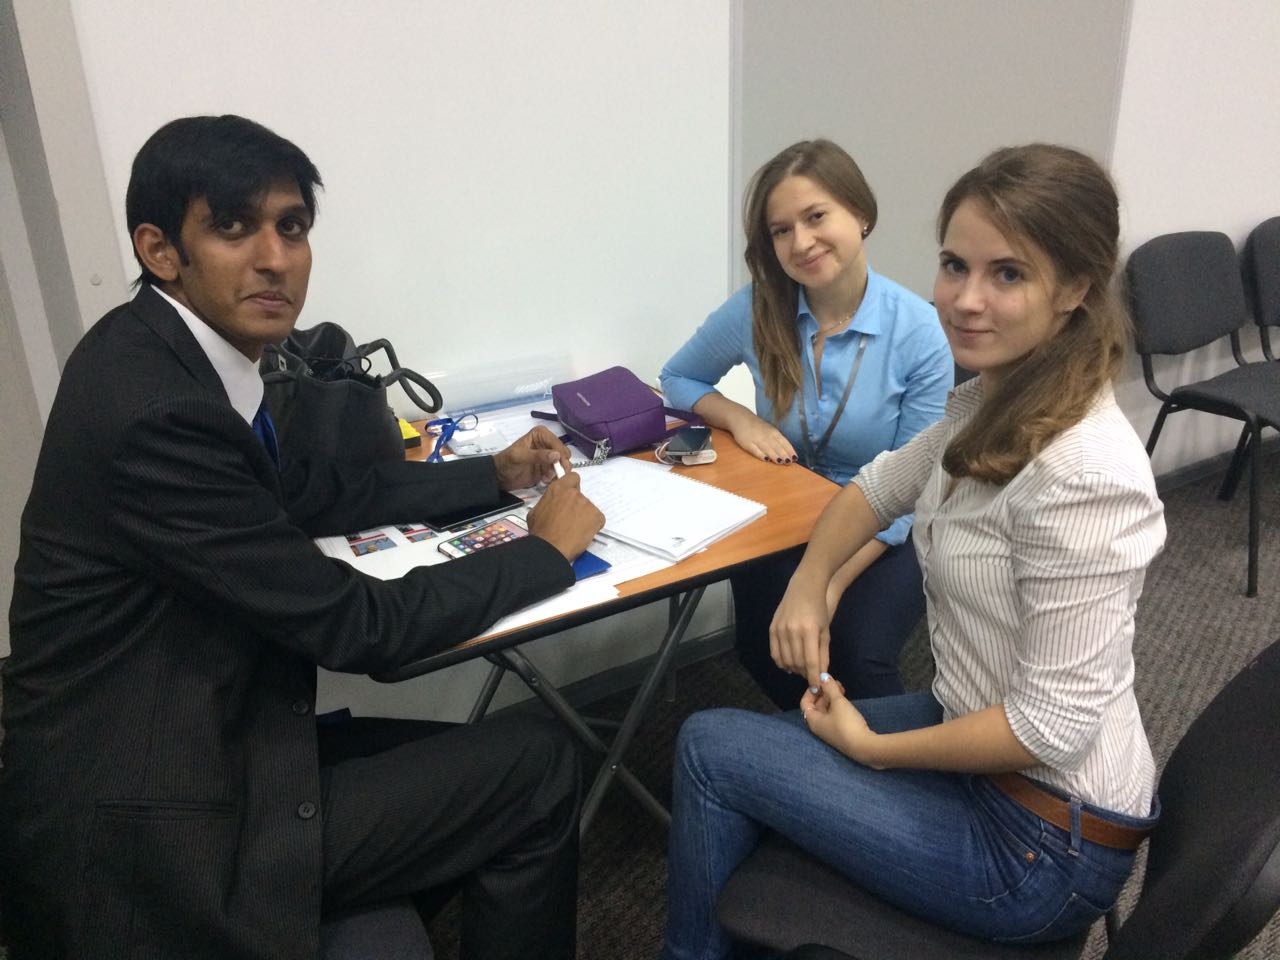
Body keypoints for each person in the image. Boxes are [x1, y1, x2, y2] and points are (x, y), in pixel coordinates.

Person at [0, 115, 604, 960]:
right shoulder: (156, 411)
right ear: (160, 249)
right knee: (537, 769)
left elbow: (305, 491)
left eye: (291, 227)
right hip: (156, 824)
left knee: (490, 769)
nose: (275, 258)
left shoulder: (159, 350)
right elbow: (359, 627)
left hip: (208, 735)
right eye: (233, 227)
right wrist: (541, 554)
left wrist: (490, 477)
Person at [661, 144, 1166, 958]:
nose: (965, 300)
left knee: (710, 751)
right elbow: (875, 489)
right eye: (955, 265)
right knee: (755, 751)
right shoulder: (991, 402)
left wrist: (876, 752)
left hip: (1040, 841)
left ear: (1075, 288)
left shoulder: (1086, 474)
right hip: (980, 735)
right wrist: (809, 584)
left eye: (1008, 274)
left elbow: (1048, 727)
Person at [660, 139, 952, 707]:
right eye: (781, 230)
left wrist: (822, 585)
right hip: (789, 509)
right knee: (761, 646)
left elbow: (913, 492)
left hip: (886, 529)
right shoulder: (759, 306)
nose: (800, 242)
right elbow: (678, 377)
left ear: (860, 213)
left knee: (855, 651)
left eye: (816, 216)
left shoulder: (919, 332)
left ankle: (887, 757)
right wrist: (740, 418)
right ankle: (807, 746)